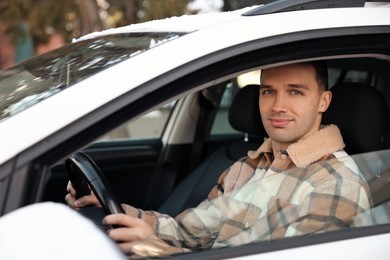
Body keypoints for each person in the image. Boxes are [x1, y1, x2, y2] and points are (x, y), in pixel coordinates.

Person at [65, 61, 372, 257]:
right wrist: (121, 214)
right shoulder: (247, 166)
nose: (277, 105)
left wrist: (151, 247)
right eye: (268, 91)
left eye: (295, 92)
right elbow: (191, 231)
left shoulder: (337, 185)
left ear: (323, 101)